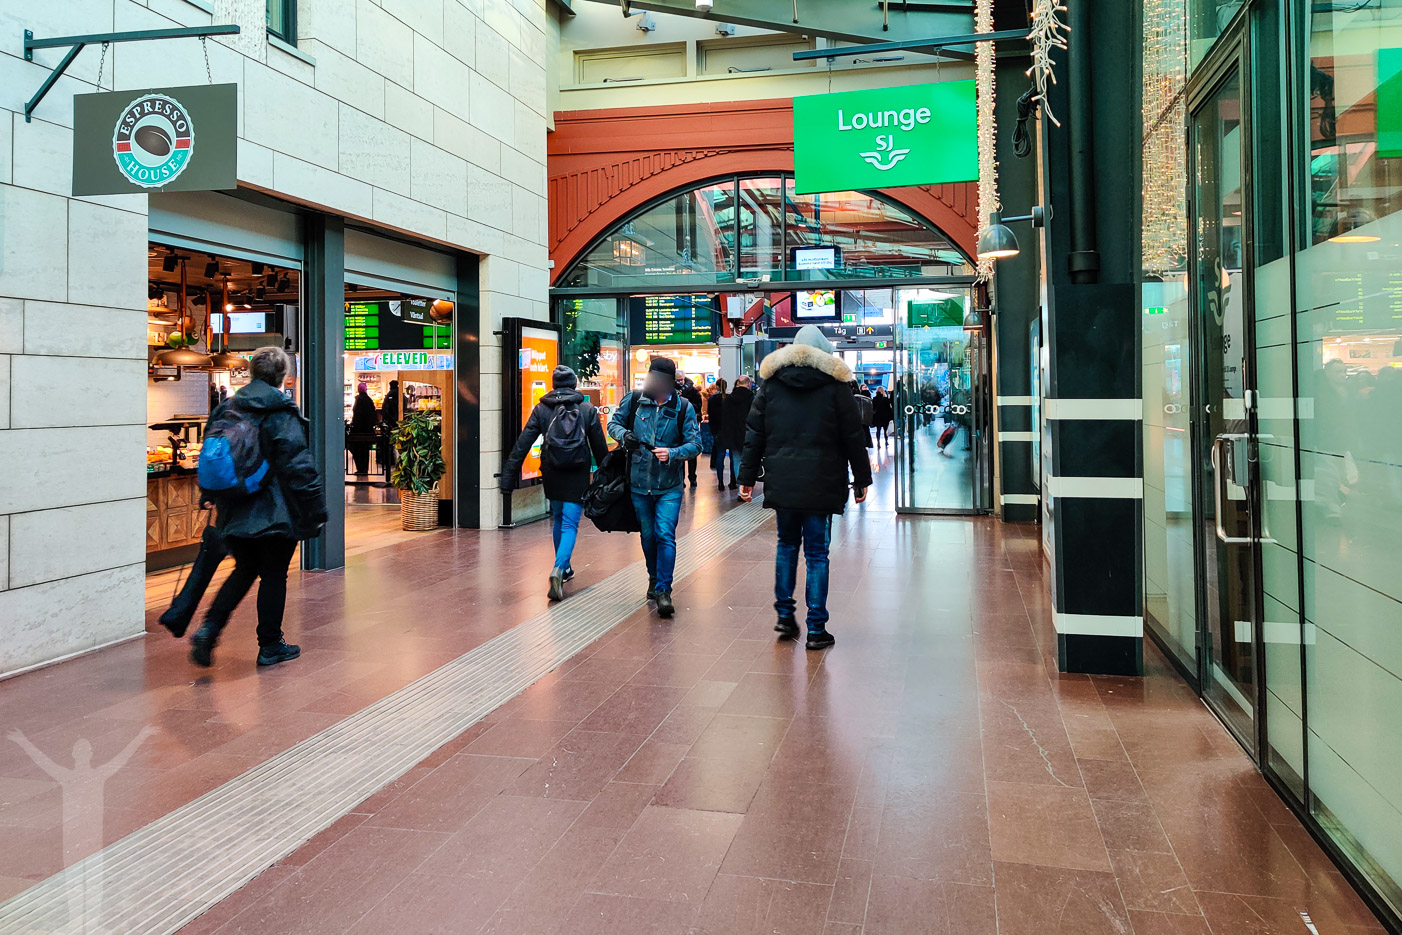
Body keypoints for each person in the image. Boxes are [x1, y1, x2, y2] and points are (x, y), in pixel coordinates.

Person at [190, 346, 329, 668]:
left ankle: (210, 629)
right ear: (282, 376)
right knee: (273, 575)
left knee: (244, 569)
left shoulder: (227, 408)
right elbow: (298, 466)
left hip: (234, 508)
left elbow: (210, 455)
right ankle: (270, 645)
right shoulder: (280, 412)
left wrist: (208, 493)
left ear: (252, 372)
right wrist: (315, 509)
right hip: (275, 511)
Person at [738, 326, 872, 651]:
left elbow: (754, 433)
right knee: (816, 554)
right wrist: (862, 479)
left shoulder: (771, 385)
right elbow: (852, 435)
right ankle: (816, 628)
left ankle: (785, 617)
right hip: (822, 482)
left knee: (786, 546)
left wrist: (746, 477)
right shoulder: (836, 386)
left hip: (783, 482)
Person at [500, 365, 609, 601]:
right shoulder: (587, 409)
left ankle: (566, 568)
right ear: (574, 384)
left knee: (558, 518)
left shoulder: (541, 409)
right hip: (577, 472)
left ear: (553, 384)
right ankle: (559, 568)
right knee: (570, 523)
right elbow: (599, 445)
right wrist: (607, 474)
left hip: (552, 470)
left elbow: (523, 444)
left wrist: (509, 475)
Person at [608, 356, 701, 618]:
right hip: (639, 483)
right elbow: (613, 423)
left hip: (669, 485)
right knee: (648, 536)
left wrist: (672, 453)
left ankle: (664, 590)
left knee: (664, 534)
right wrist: (624, 436)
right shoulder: (635, 400)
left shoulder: (683, 407)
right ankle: (653, 578)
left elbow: (695, 445)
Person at [722, 375, 755, 491]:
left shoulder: (729, 399)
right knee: (750, 462)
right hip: (749, 434)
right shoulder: (752, 398)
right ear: (748, 384)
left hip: (733, 435)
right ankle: (748, 487)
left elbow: (725, 419)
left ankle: (741, 490)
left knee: (737, 462)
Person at [677, 373, 704, 488]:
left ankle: (692, 478)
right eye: (677, 380)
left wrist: (685, 404)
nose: (679, 382)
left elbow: (698, 405)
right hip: (678, 426)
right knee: (680, 453)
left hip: (689, 424)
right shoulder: (671, 390)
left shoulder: (692, 391)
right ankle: (682, 478)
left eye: (681, 379)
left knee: (691, 452)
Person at [348, 382, 377, 474]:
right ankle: (365, 468)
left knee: (357, 449)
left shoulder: (359, 400)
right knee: (365, 450)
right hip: (367, 430)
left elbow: (357, 415)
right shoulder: (369, 400)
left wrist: (353, 424)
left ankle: (360, 468)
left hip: (358, 430)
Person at [707, 378, 730, 488]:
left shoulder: (713, 399)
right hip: (729, 431)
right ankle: (733, 481)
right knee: (733, 456)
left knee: (720, 456)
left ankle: (720, 482)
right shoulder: (729, 399)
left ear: (716, 386)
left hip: (718, 431)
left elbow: (711, 415)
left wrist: (713, 431)